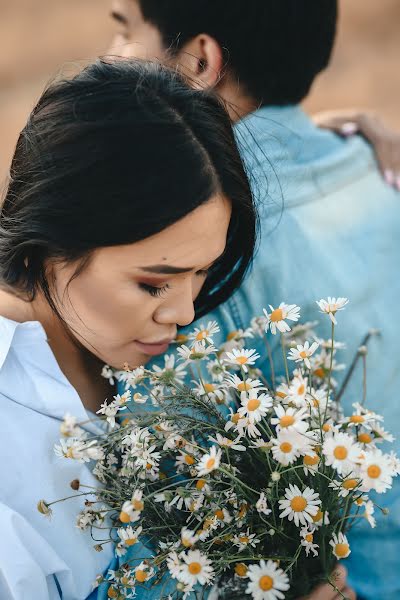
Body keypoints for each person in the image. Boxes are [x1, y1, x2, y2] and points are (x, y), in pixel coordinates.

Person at [108, 1, 400, 599]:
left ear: (199, 61)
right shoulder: (379, 167)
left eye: (123, 31)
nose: (110, 57)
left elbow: (152, 538)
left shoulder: (185, 254)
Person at [0, 57, 257, 599]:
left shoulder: (171, 361)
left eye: (204, 269)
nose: (186, 313)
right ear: (52, 245)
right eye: (153, 284)